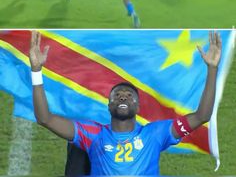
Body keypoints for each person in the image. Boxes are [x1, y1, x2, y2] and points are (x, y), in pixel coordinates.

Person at [29, 30, 222, 176]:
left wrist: (212, 69)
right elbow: (44, 118)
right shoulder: (93, 134)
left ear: (138, 107)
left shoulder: (155, 134)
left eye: (129, 96)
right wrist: (36, 71)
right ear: (109, 106)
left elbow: (202, 116)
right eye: (117, 95)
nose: (123, 97)